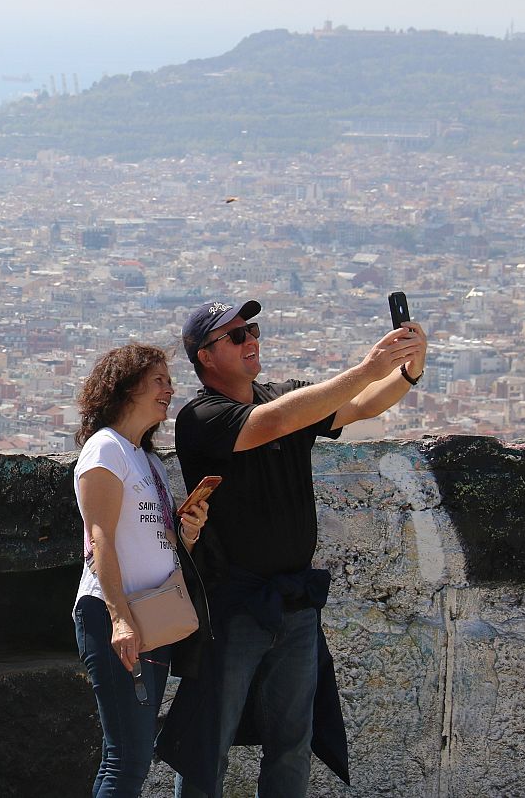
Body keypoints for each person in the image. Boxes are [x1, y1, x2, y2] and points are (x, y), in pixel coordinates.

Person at [158, 298, 427, 798]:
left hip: (296, 602)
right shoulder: (202, 416)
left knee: (292, 741)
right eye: (235, 337)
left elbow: (364, 405)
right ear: (205, 357)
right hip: (233, 602)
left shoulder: (284, 396)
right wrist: (368, 368)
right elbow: (270, 424)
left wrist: (410, 369)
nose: (250, 341)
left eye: (251, 330)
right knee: (207, 742)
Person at [72, 342, 212, 797]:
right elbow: (100, 539)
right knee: (126, 758)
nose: (170, 391)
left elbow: (160, 542)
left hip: (153, 615)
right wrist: (118, 618)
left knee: (135, 754)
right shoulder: (104, 450)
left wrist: (189, 530)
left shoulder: (148, 461)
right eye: (159, 381)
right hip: (116, 614)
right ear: (125, 388)